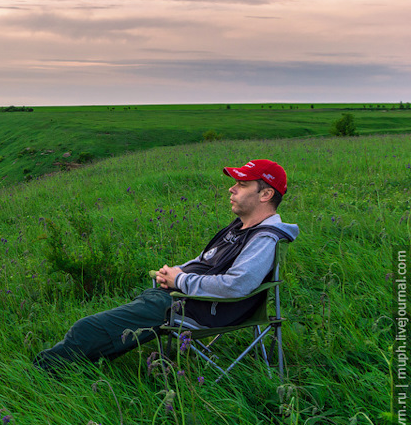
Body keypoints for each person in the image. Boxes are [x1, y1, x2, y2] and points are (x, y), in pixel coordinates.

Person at [33, 159, 299, 372]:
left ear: (265, 194)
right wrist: (176, 271)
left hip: (202, 309)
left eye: (241, 184)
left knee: (86, 328)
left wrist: (179, 281)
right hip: (186, 297)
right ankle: (75, 367)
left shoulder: (264, 237)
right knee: (110, 330)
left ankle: (39, 371)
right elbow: (205, 260)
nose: (231, 188)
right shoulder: (243, 227)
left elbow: (238, 285)